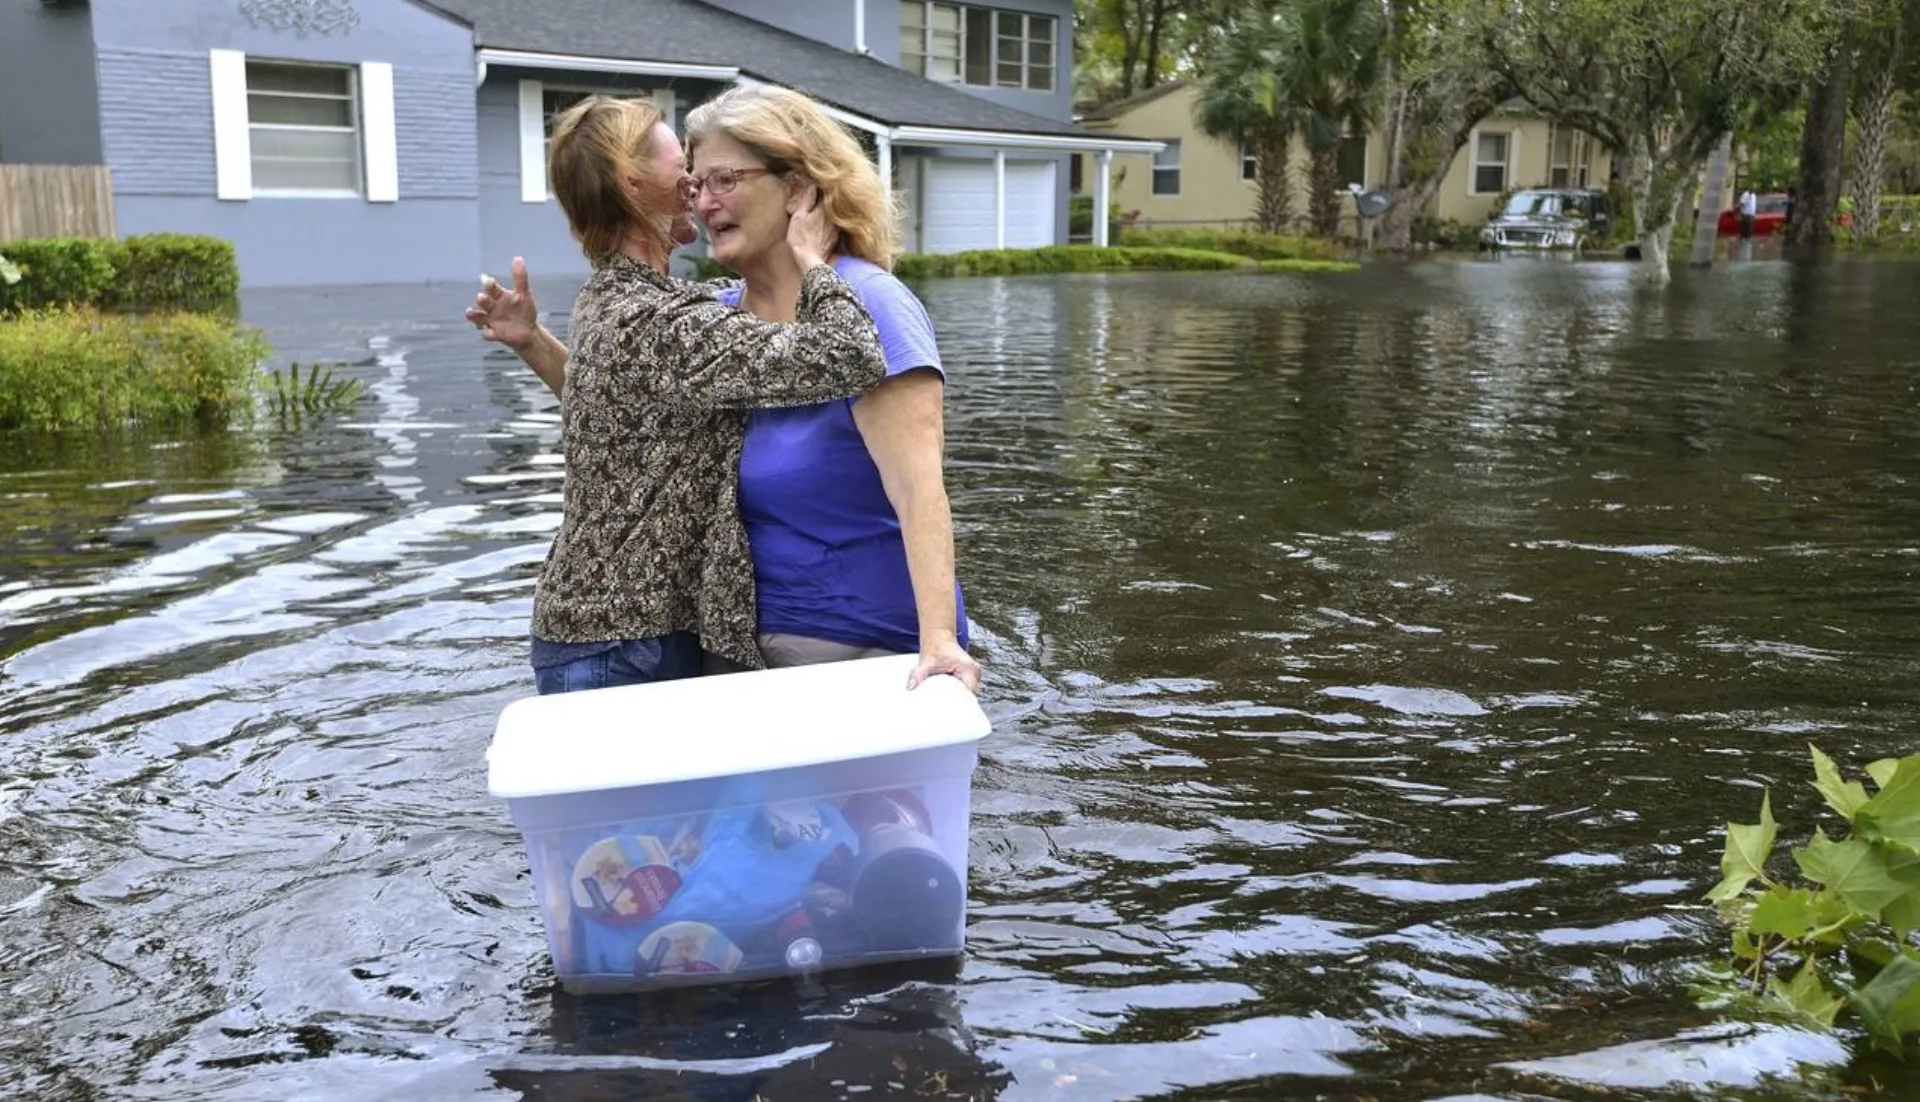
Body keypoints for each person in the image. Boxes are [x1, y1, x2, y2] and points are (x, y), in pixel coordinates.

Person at [470, 86, 981, 694]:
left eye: (722, 180)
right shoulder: (699, 315)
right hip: (685, 643)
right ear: (634, 186)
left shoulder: (864, 304)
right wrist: (533, 344)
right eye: (691, 177)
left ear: (798, 189)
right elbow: (629, 408)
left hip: (849, 642)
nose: (700, 197)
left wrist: (939, 641)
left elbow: (917, 483)